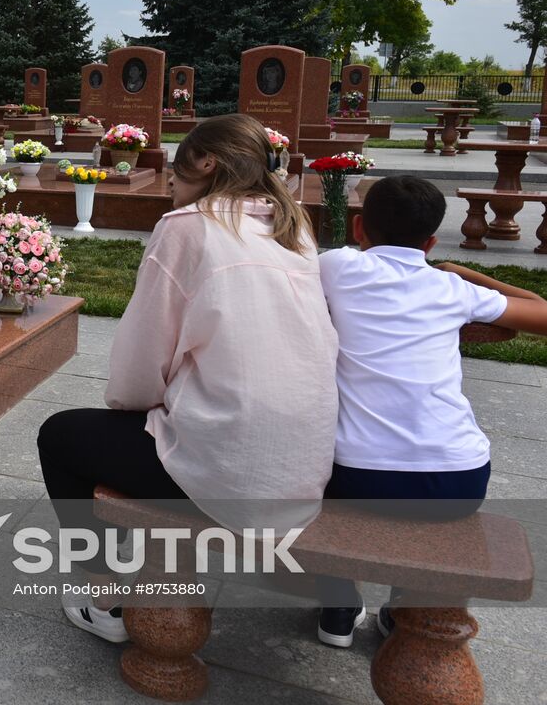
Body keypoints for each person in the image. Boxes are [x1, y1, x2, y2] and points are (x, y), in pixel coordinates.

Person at [37, 113, 339, 643]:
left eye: (179, 163)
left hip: (232, 468)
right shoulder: (294, 228)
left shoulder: (187, 227)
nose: (171, 176)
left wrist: (138, 407)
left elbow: (138, 365)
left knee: (61, 437)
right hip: (304, 466)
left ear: (206, 162)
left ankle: (103, 596)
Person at [313, 175, 547, 646]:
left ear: (359, 228)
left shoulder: (336, 267)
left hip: (360, 475)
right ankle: (402, 613)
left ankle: (337, 605)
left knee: (307, 478)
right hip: (458, 479)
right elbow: (539, 311)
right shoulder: (451, 290)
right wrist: (465, 273)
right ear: (432, 240)